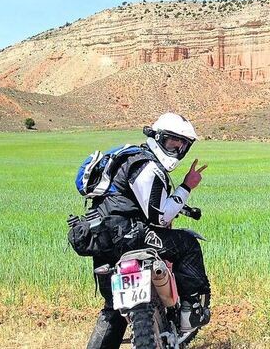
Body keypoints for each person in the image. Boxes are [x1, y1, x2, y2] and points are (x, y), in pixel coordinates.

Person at [86, 113, 211, 349]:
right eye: (171, 142)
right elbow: (160, 216)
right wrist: (186, 186)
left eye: (181, 144)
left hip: (104, 240)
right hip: (130, 237)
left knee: (113, 308)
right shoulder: (148, 167)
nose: (176, 148)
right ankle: (191, 313)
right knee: (188, 244)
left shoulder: (128, 160)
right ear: (157, 138)